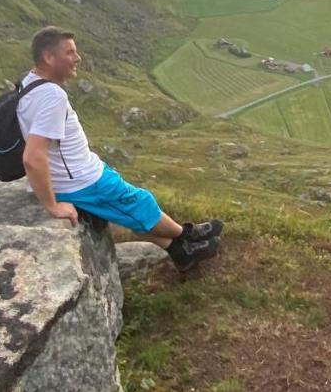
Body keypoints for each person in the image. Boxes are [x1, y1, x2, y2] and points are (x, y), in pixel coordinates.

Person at [19, 26, 222, 271]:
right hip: (82, 182)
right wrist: (52, 205)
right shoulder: (52, 97)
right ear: (48, 57)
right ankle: (186, 236)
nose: (78, 58)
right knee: (140, 203)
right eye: (70, 52)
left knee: (127, 212)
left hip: (77, 175)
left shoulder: (29, 83)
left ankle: (181, 252)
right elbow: (32, 156)